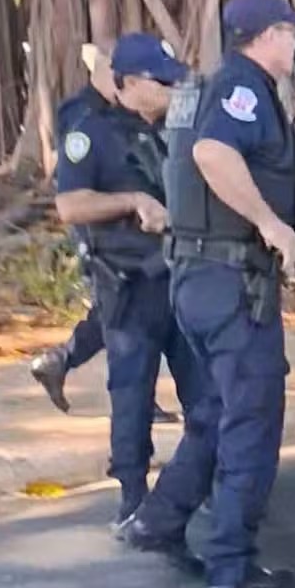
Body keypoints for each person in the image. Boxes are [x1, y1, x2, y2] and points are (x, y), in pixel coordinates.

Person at [116, 0, 295, 588]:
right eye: (290, 31)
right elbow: (210, 153)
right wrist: (270, 223)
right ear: (266, 36)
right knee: (253, 416)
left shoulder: (209, 89)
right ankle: (231, 569)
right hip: (233, 286)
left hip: (198, 282)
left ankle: (159, 519)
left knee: (217, 408)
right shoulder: (242, 90)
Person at [54, 33, 203, 525]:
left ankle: (206, 486)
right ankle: (133, 498)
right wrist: (132, 202)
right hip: (128, 284)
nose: (168, 90)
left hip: (180, 279)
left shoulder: (171, 128)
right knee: (133, 393)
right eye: (160, 82)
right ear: (131, 82)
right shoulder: (89, 131)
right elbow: (70, 206)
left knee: (203, 390)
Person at [31, 45, 178, 424]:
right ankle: (132, 403)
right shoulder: (83, 113)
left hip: (139, 235)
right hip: (99, 230)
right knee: (118, 309)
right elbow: (78, 183)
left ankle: (63, 361)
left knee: (120, 311)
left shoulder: (134, 119)